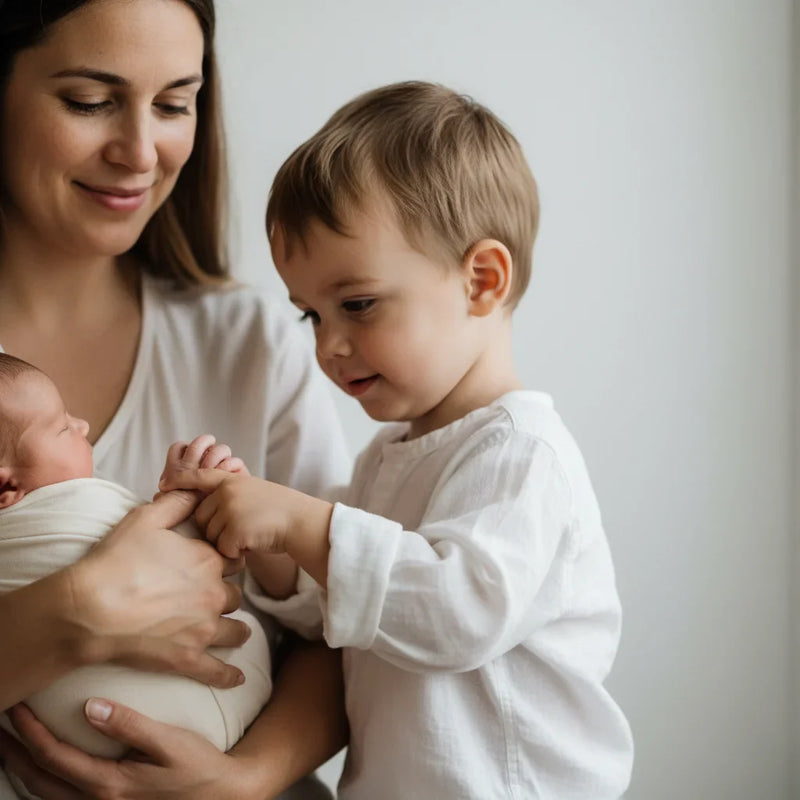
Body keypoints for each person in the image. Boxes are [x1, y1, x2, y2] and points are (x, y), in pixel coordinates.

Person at [162, 81, 636, 799]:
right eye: (311, 316)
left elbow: (457, 612)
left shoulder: (521, 453)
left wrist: (300, 519)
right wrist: (276, 552)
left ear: (481, 280)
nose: (330, 346)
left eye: (356, 304)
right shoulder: (388, 458)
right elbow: (350, 614)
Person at [0, 2, 350, 799]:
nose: (139, 151)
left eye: (173, 104)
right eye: (89, 101)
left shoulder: (255, 345)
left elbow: (352, 633)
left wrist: (248, 778)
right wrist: (77, 612)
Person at [0, 353, 271, 775]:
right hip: (178, 719)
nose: (82, 425)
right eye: (62, 427)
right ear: (8, 486)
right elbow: (175, 560)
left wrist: (252, 779)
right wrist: (196, 502)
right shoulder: (68, 506)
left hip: (94, 748)